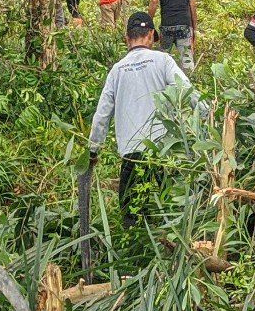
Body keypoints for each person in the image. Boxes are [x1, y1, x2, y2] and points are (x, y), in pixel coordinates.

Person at [89, 12, 208, 228]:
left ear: (127, 38)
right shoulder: (163, 61)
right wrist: (209, 116)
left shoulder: (117, 70)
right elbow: (187, 91)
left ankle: (134, 253)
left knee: (131, 215)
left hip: (131, 154)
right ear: (152, 35)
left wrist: (93, 150)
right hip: (161, 151)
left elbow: (102, 114)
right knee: (167, 211)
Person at [148, 0, 197, 73]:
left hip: (167, 26)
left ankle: (163, 85)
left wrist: (149, 21)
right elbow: (193, 5)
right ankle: (189, 83)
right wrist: (194, 28)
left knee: (163, 60)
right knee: (187, 60)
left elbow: (154, 1)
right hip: (184, 26)